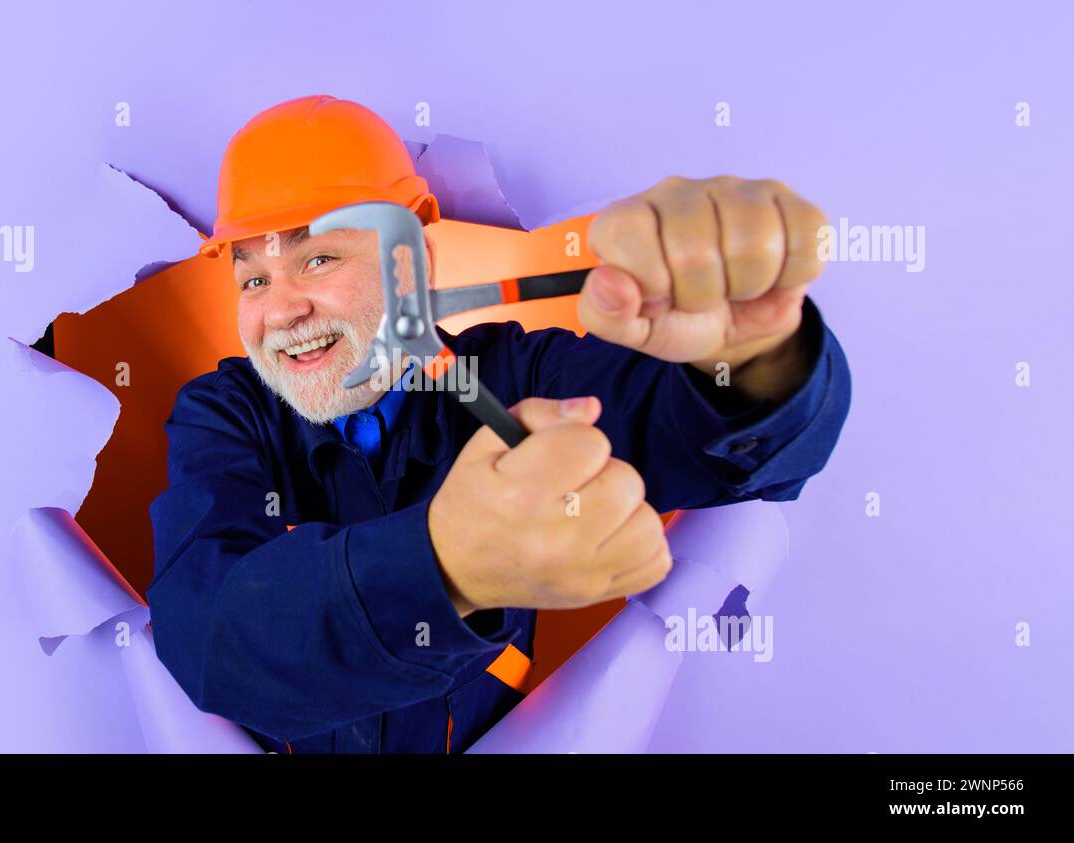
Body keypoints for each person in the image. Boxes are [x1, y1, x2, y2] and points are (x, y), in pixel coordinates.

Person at [147, 94, 851, 753]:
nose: (281, 311)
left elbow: (696, 433)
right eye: (253, 278)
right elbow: (207, 635)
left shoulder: (514, 379)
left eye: (319, 257)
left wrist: (751, 355)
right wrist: (443, 563)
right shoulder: (225, 416)